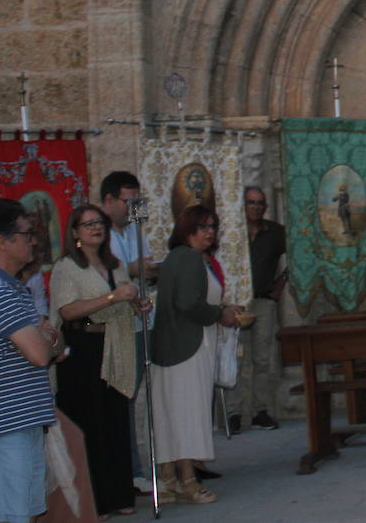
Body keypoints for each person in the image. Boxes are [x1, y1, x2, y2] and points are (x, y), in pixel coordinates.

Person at [50, 203, 145, 519]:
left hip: (114, 344)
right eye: (88, 224)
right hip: (83, 347)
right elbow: (67, 310)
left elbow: (123, 300)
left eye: (99, 223)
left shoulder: (114, 264)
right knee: (89, 422)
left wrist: (136, 304)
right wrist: (112, 297)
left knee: (115, 418)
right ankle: (96, 501)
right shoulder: (67, 267)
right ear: (75, 232)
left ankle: (119, 494)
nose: (96, 228)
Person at [150, 204, 240, 504]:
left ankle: (168, 481)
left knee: (170, 414)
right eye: (202, 227)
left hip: (174, 346)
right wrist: (220, 314)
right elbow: (189, 303)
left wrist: (222, 310)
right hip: (188, 346)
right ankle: (188, 482)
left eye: (212, 226)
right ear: (187, 229)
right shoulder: (188, 258)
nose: (209, 232)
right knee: (188, 413)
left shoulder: (180, 257)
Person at [0, 198, 67, 523]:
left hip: (23, 420)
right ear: (1, 241)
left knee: (26, 514)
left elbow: (55, 345)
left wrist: (45, 338)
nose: (33, 241)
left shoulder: (14, 288)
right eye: (26, 234)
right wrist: (44, 339)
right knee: (11, 516)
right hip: (3, 426)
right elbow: (39, 353)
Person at [99, 169, 154, 493]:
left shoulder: (136, 229)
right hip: (112, 324)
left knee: (132, 397)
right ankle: (129, 470)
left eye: (137, 201)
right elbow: (114, 273)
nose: (133, 208)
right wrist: (136, 269)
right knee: (121, 397)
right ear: (109, 199)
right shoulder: (100, 232)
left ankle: (134, 467)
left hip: (139, 321)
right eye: (128, 201)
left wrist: (145, 268)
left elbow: (144, 263)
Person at [230, 186, 285, 434]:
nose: (255, 207)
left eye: (260, 203)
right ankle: (234, 413)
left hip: (263, 300)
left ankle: (260, 410)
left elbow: (298, 255)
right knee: (236, 358)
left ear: (266, 207)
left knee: (262, 358)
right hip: (236, 301)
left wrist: (281, 282)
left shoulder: (275, 232)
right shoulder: (232, 230)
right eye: (251, 202)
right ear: (242, 205)